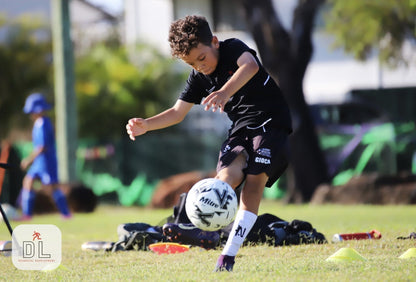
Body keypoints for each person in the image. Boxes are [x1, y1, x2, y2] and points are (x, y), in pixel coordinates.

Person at [126, 15, 292, 271]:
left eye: (201, 58)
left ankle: (228, 254)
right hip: (241, 128)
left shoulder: (233, 48)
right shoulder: (198, 77)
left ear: (214, 42)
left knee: (254, 182)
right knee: (225, 177)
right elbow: (177, 113)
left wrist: (225, 92)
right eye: (190, 63)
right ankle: (203, 230)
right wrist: (146, 124)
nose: (198, 66)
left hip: (271, 123)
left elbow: (250, 67)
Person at [18, 93, 71, 220]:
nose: (31, 114)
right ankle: (27, 214)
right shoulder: (38, 123)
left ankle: (66, 214)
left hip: (46, 161)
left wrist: (29, 160)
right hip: (39, 162)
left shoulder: (43, 123)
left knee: (52, 188)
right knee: (28, 181)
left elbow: (42, 146)